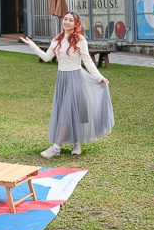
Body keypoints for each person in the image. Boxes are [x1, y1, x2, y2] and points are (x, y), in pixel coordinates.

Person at [20, 12, 114, 158]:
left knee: (68, 112)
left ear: (76, 24)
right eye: (65, 19)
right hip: (62, 79)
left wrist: (99, 77)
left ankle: (56, 147)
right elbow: (46, 58)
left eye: (71, 20)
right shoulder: (57, 39)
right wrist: (32, 45)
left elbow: (87, 60)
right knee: (69, 112)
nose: (67, 22)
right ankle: (77, 143)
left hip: (76, 78)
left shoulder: (80, 39)